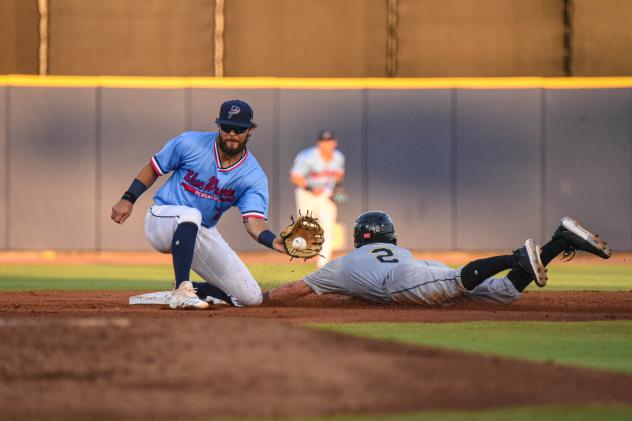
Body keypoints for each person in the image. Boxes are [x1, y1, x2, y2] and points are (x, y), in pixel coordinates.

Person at [111, 99, 288, 309]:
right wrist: (128, 198)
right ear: (219, 126)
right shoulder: (190, 143)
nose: (232, 133)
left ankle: (196, 289)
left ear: (250, 130)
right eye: (227, 127)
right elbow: (154, 167)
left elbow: (254, 221)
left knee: (250, 298)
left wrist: (273, 241)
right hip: (162, 219)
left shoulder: (253, 176)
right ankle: (181, 290)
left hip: (201, 231)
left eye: (239, 129)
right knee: (191, 214)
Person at [263, 211, 612, 306]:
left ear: (359, 238)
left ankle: (517, 256)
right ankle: (559, 241)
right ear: (389, 235)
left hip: (402, 283)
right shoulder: (400, 250)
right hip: (420, 267)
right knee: (503, 293)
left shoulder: (341, 265)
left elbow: (298, 288)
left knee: (456, 281)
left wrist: (262, 299)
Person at [290, 129, 346, 268]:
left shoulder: (338, 157)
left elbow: (339, 175)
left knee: (328, 227)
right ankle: (304, 255)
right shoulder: (307, 156)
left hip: (325, 195)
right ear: (318, 143)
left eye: (329, 142)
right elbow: (295, 177)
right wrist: (310, 188)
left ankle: (323, 265)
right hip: (306, 194)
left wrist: (338, 187)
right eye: (323, 142)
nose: (327, 145)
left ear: (334, 143)